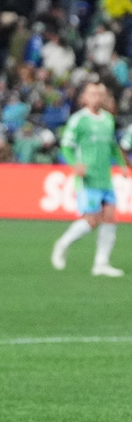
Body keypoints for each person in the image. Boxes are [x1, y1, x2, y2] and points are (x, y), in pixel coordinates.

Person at [51, 82, 129, 277]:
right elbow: (66, 146)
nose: (97, 97)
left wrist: (122, 165)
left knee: (110, 217)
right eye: (92, 93)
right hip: (88, 178)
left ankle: (101, 264)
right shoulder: (79, 120)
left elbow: (113, 146)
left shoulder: (108, 120)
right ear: (84, 98)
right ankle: (63, 243)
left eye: (100, 94)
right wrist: (74, 164)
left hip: (105, 177)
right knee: (92, 220)